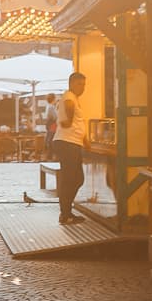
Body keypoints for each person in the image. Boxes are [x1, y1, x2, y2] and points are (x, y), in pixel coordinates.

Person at [52, 72, 88, 225]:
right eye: (80, 84)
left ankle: (66, 212)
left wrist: (85, 141)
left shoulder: (72, 97)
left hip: (71, 142)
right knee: (71, 179)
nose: (83, 88)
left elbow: (78, 123)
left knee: (76, 179)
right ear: (72, 83)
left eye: (84, 85)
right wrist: (69, 119)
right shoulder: (69, 97)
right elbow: (69, 108)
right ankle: (65, 214)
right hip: (67, 143)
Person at [43, 93, 58, 161]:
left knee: (50, 140)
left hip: (50, 124)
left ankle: (49, 156)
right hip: (53, 125)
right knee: (52, 140)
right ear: (53, 99)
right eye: (55, 98)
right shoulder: (51, 107)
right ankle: (51, 156)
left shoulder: (49, 106)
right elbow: (54, 117)